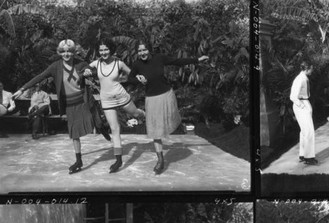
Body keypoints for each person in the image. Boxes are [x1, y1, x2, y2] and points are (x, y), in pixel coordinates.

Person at [12, 39, 108, 174]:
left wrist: (89, 72)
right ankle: (78, 160)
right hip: (70, 105)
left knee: (94, 121)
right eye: (63, 51)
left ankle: (101, 126)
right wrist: (22, 89)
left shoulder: (81, 63)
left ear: (74, 52)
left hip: (83, 101)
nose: (66, 54)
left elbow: (93, 70)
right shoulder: (55, 67)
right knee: (74, 133)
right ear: (59, 52)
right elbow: (39, 77)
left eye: (69, 51)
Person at [129, 41, 209, 174]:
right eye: (139, 51)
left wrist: (197, 59)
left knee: (169, 122)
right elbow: (130, 78)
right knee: (155, 130)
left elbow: (178, 61)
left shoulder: (159, 58)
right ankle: (160, 160)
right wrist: (137, 78)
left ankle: (179, 128)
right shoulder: (137, 64)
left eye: (144, 50)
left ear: (149, 50)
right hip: (151, 99)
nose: (142, 53)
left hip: (166, 95)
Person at [83, 38, 145, 173]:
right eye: (101, 50)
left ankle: (143, 115)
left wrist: (140, 78)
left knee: (136, 113)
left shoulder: (119, 63)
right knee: (114, 129)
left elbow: (132, 75)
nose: (103, 52)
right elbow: (87, 67)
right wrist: (87, 71)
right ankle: (118, 159)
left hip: (122, 97)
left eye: (106, 49)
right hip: (107, 101)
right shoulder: (96, 63)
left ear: (111, 49)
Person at [289, 61, 318, 165]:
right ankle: (309, 157)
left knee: (304, 131)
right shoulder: (300, 79)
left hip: (304, 103)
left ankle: (303, 154)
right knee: (309, 131)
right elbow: (292, 96)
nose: (312, 70)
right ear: (307, 68)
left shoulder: (304, 78)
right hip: (301, 104)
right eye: (311, 68)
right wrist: (302, 106)